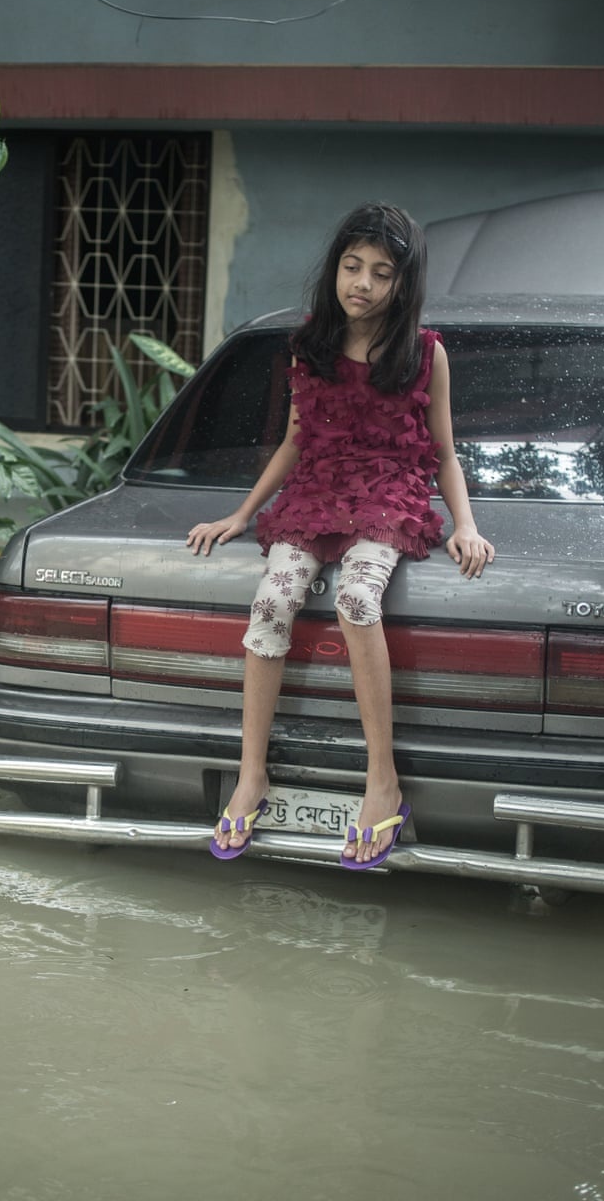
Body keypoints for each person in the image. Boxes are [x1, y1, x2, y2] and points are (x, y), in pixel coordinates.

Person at [186, 202, 494, 869]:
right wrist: (242, 514)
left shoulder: (425, 354)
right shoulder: (310, 349)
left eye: (381, 273)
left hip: (389, 492)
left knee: (358, 600)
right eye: (352, 267)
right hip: (319, 490)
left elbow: (442, 453)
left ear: (402, 284)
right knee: (271, 602)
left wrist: (466, 524)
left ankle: (382, 778)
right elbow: (297, 440)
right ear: (335, 270)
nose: (362, 283)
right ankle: (251, 776)